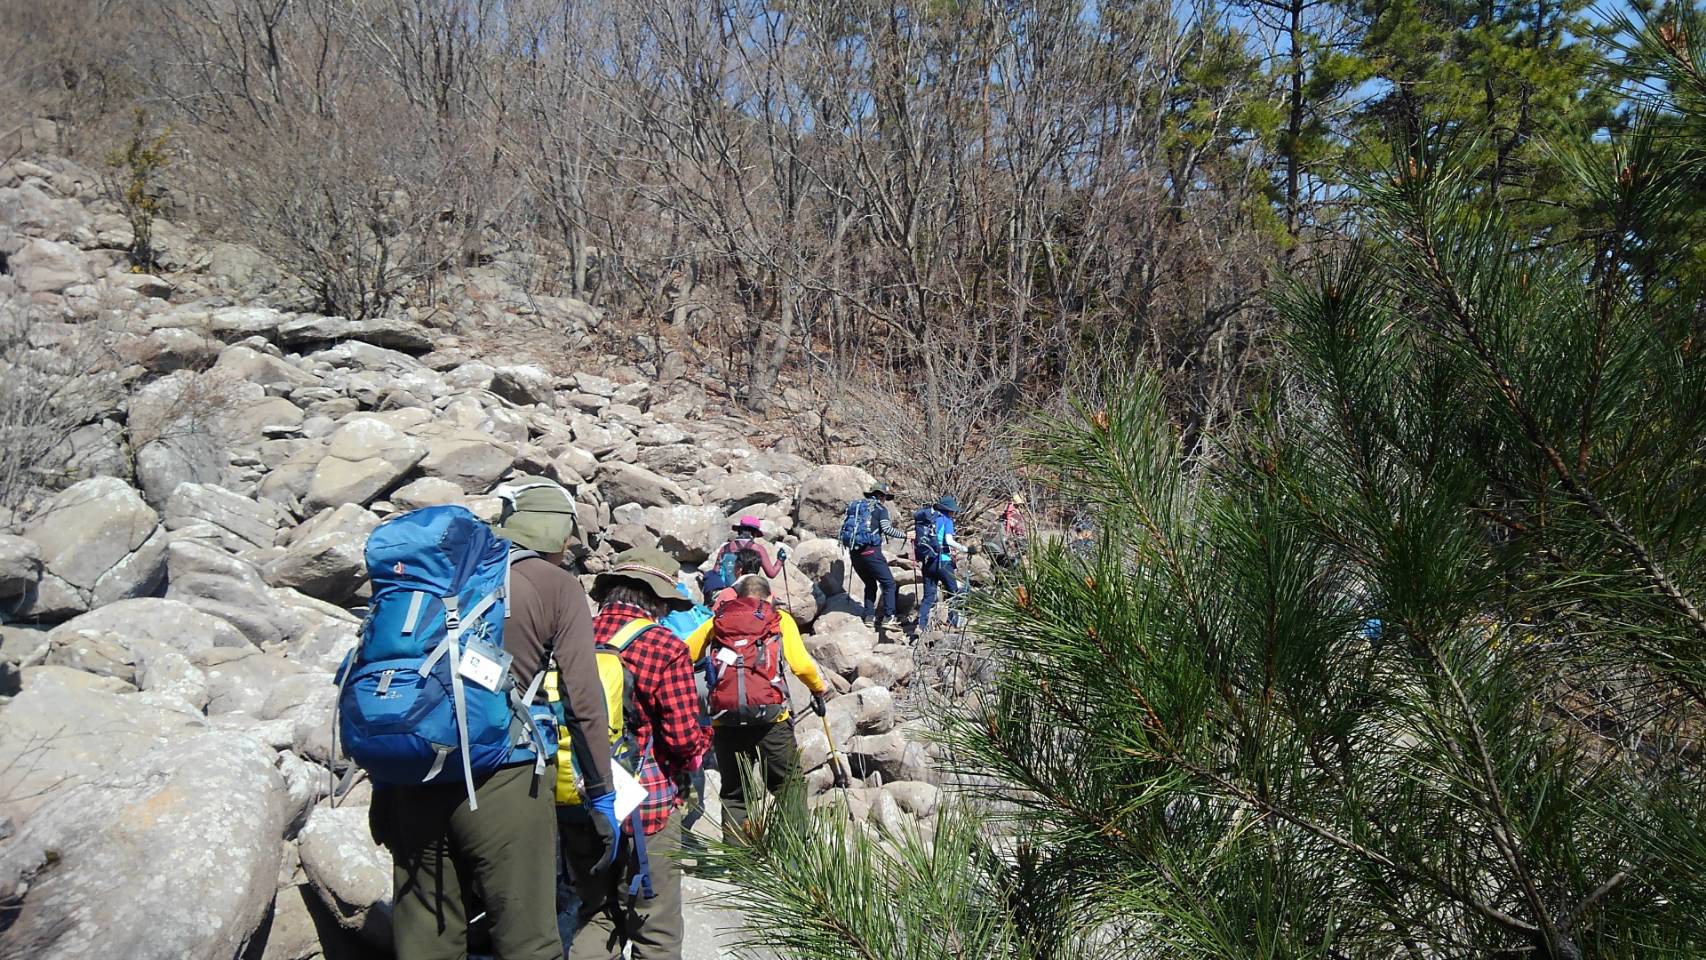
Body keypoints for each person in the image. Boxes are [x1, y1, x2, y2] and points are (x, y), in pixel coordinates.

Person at [376, 477, 615, 960]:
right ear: (558, 532)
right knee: (528, 940)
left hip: (414, 775)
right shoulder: (555, 585)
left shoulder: (435, 575)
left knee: (426, 940)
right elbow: (583, 701)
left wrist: (385, 785)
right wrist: (601, 793)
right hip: (504, 777)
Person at [564, 548, 711, 960]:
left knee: (594, 914)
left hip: (578, 796)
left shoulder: (574, 635)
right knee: (655, 929)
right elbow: (682, 739)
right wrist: (703, 742)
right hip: (646, 807)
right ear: (656, 598)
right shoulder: (664, 645)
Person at [682, 575, 831, 834]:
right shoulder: (779, 618)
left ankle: (739, 857)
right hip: (771, 720)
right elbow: (801, 666)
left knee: (735, 794)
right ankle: (792, 852)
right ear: (769, 597)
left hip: (725, 720)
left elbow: (685, 653)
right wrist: (818, 687)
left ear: (738, 597)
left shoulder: (718, 619)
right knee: (788, 786)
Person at [839, 481, 906, 628]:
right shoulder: (880, 509)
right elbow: (887, 529)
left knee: (870, 584)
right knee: (889, 584)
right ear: (881, 496)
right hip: (871, 552)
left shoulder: (857, 508)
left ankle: (869, 616)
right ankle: (889, 617)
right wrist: (906, 535)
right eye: (885, 497)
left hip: (855, 554)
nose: (885, 500)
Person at [912, 493, 969, 636]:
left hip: (928, 562)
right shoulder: (946, 520)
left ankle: (921, 625)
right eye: (953, 511)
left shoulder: (929, 521)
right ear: (948, 510)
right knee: (954, 593)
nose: (954, 513)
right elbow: (948, 541)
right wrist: (966, 549)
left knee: (928, 596)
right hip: (943, 562)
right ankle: (952, 623)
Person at [703, 516, 786, 594]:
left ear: (739, 531)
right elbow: (771, 573)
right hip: (747, 591)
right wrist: (780, 560)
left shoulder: (725, 548)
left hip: (727, 591)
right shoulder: (758, 549)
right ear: (754, 533)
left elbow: (716, 571)